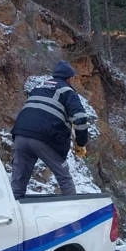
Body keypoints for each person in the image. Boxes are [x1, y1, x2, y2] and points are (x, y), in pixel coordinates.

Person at [10, 60, 89, 199]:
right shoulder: (67, 91)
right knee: (64, 176)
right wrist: (81, 143)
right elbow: (80, 118)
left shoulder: (38, 88)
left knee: (18, 181)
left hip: (20, 135)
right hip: (44, 137)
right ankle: (75, 213)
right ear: (70, 78)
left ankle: (12, 213)